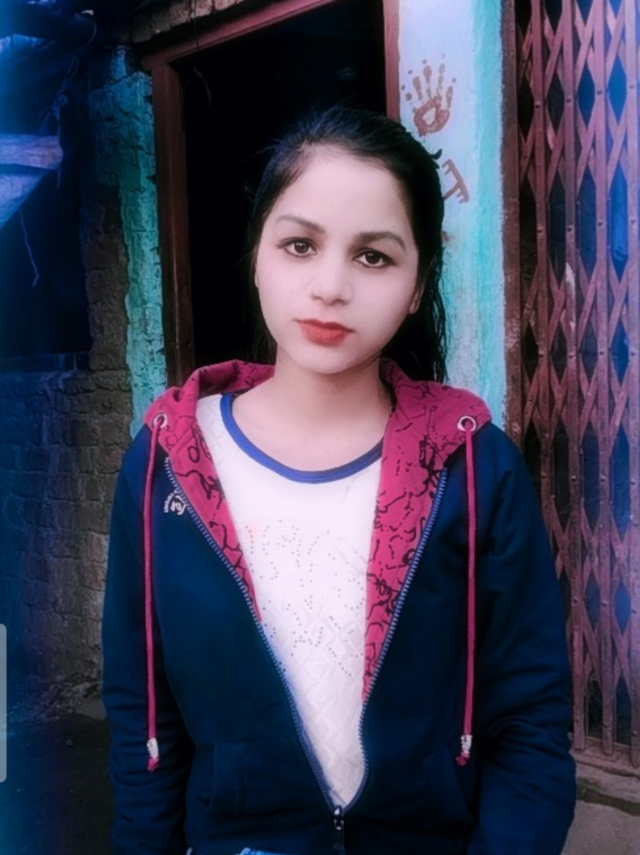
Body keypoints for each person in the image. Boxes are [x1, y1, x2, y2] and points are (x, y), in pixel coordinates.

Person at [102, 105, 576, 855]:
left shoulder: (473, 466)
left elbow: (530, 716)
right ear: (257, 256)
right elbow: (144, 716)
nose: (330, 286)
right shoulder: (170, 463)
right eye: (300, 245)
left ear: (418, 284)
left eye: (374, 257)